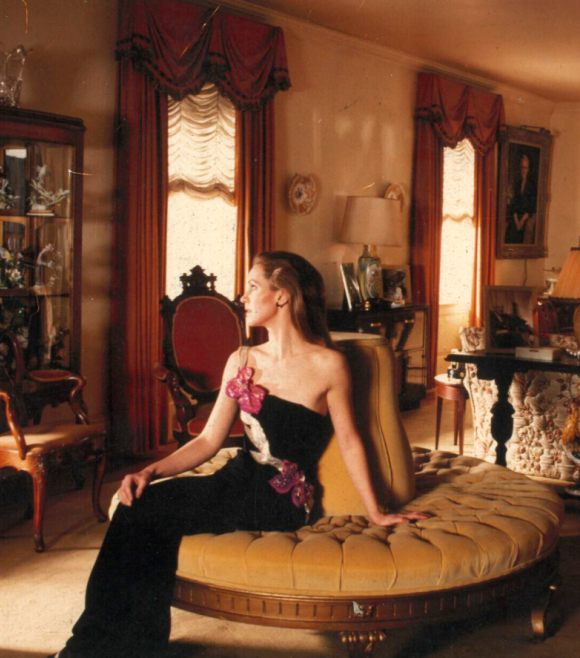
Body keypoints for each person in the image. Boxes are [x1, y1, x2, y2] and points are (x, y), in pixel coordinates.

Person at [52, 251, 428, 658]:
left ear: (282, 295)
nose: (242, 297)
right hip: (236, 479)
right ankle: (124, 646)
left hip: (280, 498)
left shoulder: (329, 365)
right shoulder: (242, 359)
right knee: (140, 504)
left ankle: (88, 651)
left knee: (144, 515)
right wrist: (150, 472)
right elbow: (209, 440)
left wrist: (376, 511)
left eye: (252, 286)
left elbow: (352, 440)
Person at [504, 153, 537, 244]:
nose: (523, 170)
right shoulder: (517, 183)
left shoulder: (531, 185)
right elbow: (514, 203)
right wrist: (516, 221)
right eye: (522, 167)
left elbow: (531, 206)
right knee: (511, 229)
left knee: (523, 229)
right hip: (517, 216)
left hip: (525, 216)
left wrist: (522, 221)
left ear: (528, 169)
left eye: (525, 168)